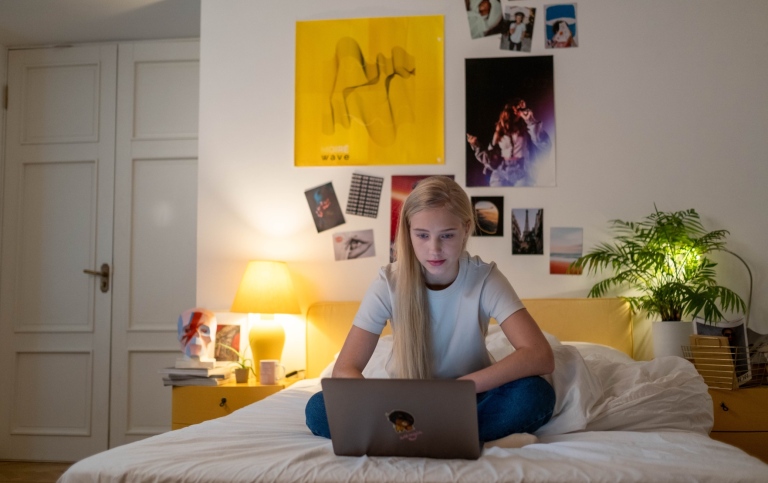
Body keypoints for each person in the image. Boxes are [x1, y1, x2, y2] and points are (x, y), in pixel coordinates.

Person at [305, 176, 556, 446]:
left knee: (536, 394)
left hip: (470, 397)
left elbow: (539, 354)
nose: (434, 249)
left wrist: (460, 388)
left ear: (466, 229)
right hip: (401, 406)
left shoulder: (485, 278)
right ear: (408, 231)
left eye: (446, 235)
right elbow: (345, 370)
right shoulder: (387, 283)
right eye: (422, 235)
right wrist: (379, 403)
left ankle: (411, 437)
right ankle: (453, 435)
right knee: (319, 407)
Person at [467, 98, 551, 187]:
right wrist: (476, 145)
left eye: (519, 108)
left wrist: (530, 120)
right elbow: (490, 159)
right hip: (501, 172)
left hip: (523, 171)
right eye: (515, 107)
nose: (516, 110)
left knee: (522, 194)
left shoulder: (527, 130)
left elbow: (544, 144)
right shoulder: (498, 133)